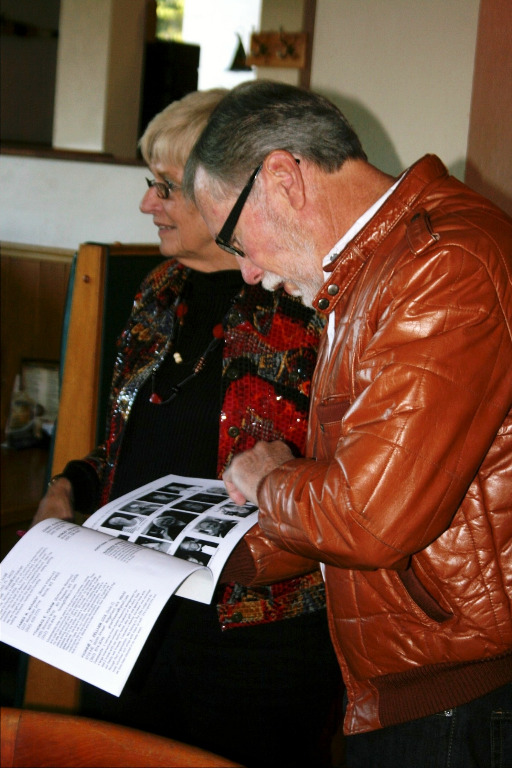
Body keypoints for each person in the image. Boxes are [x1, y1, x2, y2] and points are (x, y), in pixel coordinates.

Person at [183, 80, 512, 768]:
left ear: (282, 178)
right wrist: (206, 555)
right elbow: (352, 493)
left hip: (457, 699)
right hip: (411, 688)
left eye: (237, 238)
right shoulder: (370, 274)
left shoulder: (440, 266)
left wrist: (271, 478)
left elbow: (367, 518)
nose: (246, 272)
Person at [32, 88, 341, 768]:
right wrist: (70, 486)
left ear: (222, 192)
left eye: (166, 188)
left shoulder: (306, 306)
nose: (148, 204)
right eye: (152, 184)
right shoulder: (158, 292)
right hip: (132, 616)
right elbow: (127, 446)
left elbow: (349, 477)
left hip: (257, 638)